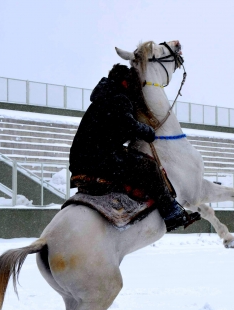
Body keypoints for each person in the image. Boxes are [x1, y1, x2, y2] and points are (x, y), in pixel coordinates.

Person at [69, 64, 198, 232]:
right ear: (125, 82)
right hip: (98, 161)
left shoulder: (104, 97)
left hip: (82, 160)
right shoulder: (119, 98)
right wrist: (147, 131)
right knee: (149, 167)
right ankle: (171, 212)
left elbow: (113, 129)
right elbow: (128, 125)